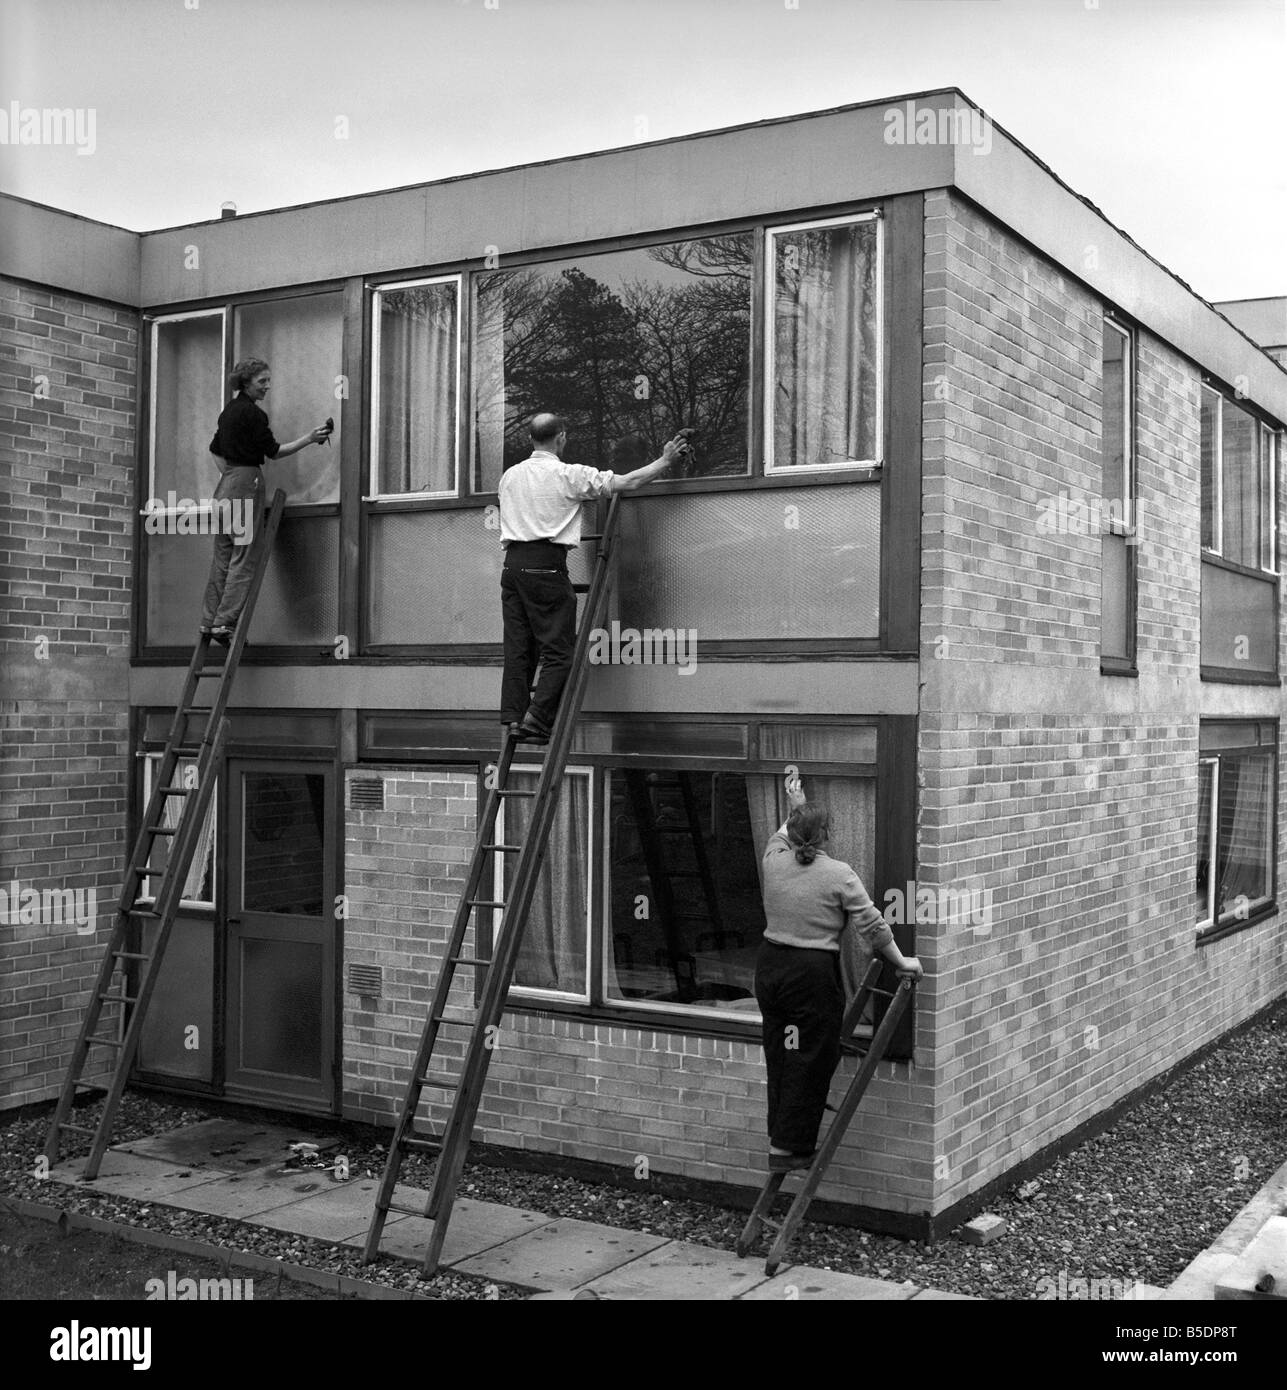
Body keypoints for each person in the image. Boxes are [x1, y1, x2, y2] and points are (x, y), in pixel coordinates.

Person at [755, 774, 923, 1171]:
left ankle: (779, 1136)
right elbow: (874, 926)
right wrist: (903, 963)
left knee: (781, 1051)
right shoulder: (839, 874)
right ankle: (789, 1149)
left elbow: (785, 833)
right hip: (809, 976)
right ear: (827, 835)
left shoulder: (773, 860)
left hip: (770, 969)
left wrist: (797, 802)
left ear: (793, 835)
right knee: (812, 1056)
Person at [498, 413, 690, 742]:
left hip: (512, 568)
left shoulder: (509, 477)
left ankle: (514, 719)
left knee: (519, 649)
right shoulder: (568, 475)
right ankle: (538, 718)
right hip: (546, 566)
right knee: (560, 652)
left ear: (531, 439)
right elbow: (626, 483)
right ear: (560, 438)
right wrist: (665, 460)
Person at [199, 358, 332, 643]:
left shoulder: (228, 412)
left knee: (222, 556)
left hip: (225, 487)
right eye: (262, 381)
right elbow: (274, 452)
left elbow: (215, 451)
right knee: (245, 557)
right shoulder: (254, 415)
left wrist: (232, 475)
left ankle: (210, 620)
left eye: (268, 380)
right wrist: (309, 438)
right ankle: (224, 623)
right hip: (246, 484)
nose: (267, 386)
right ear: (246, 382)